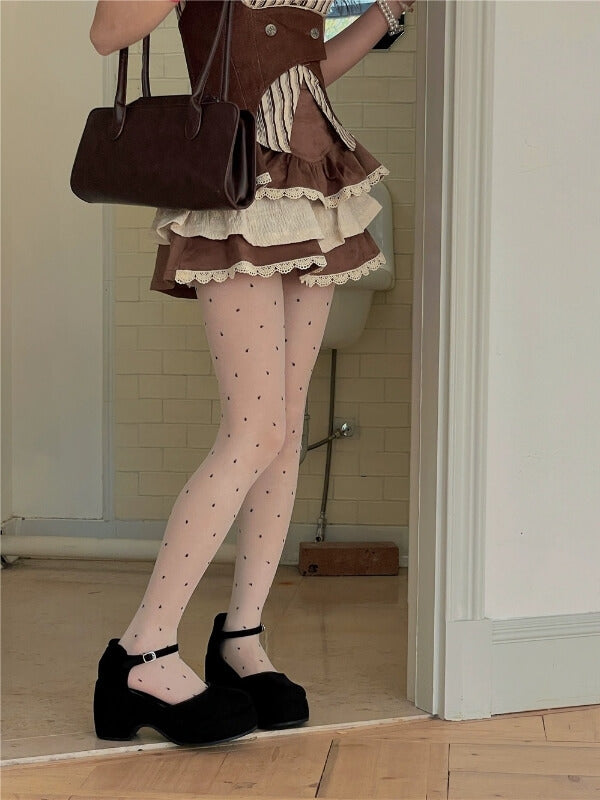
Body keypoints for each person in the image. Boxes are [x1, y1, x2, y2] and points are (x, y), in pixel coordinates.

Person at [89, 0, 414, 748]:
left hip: (315, 173)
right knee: (254, 429)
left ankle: (241, 637)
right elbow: (107, 33)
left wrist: (386, 12)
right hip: (235, 178)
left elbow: (310, 67)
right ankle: (141, 652)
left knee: (285, 428)